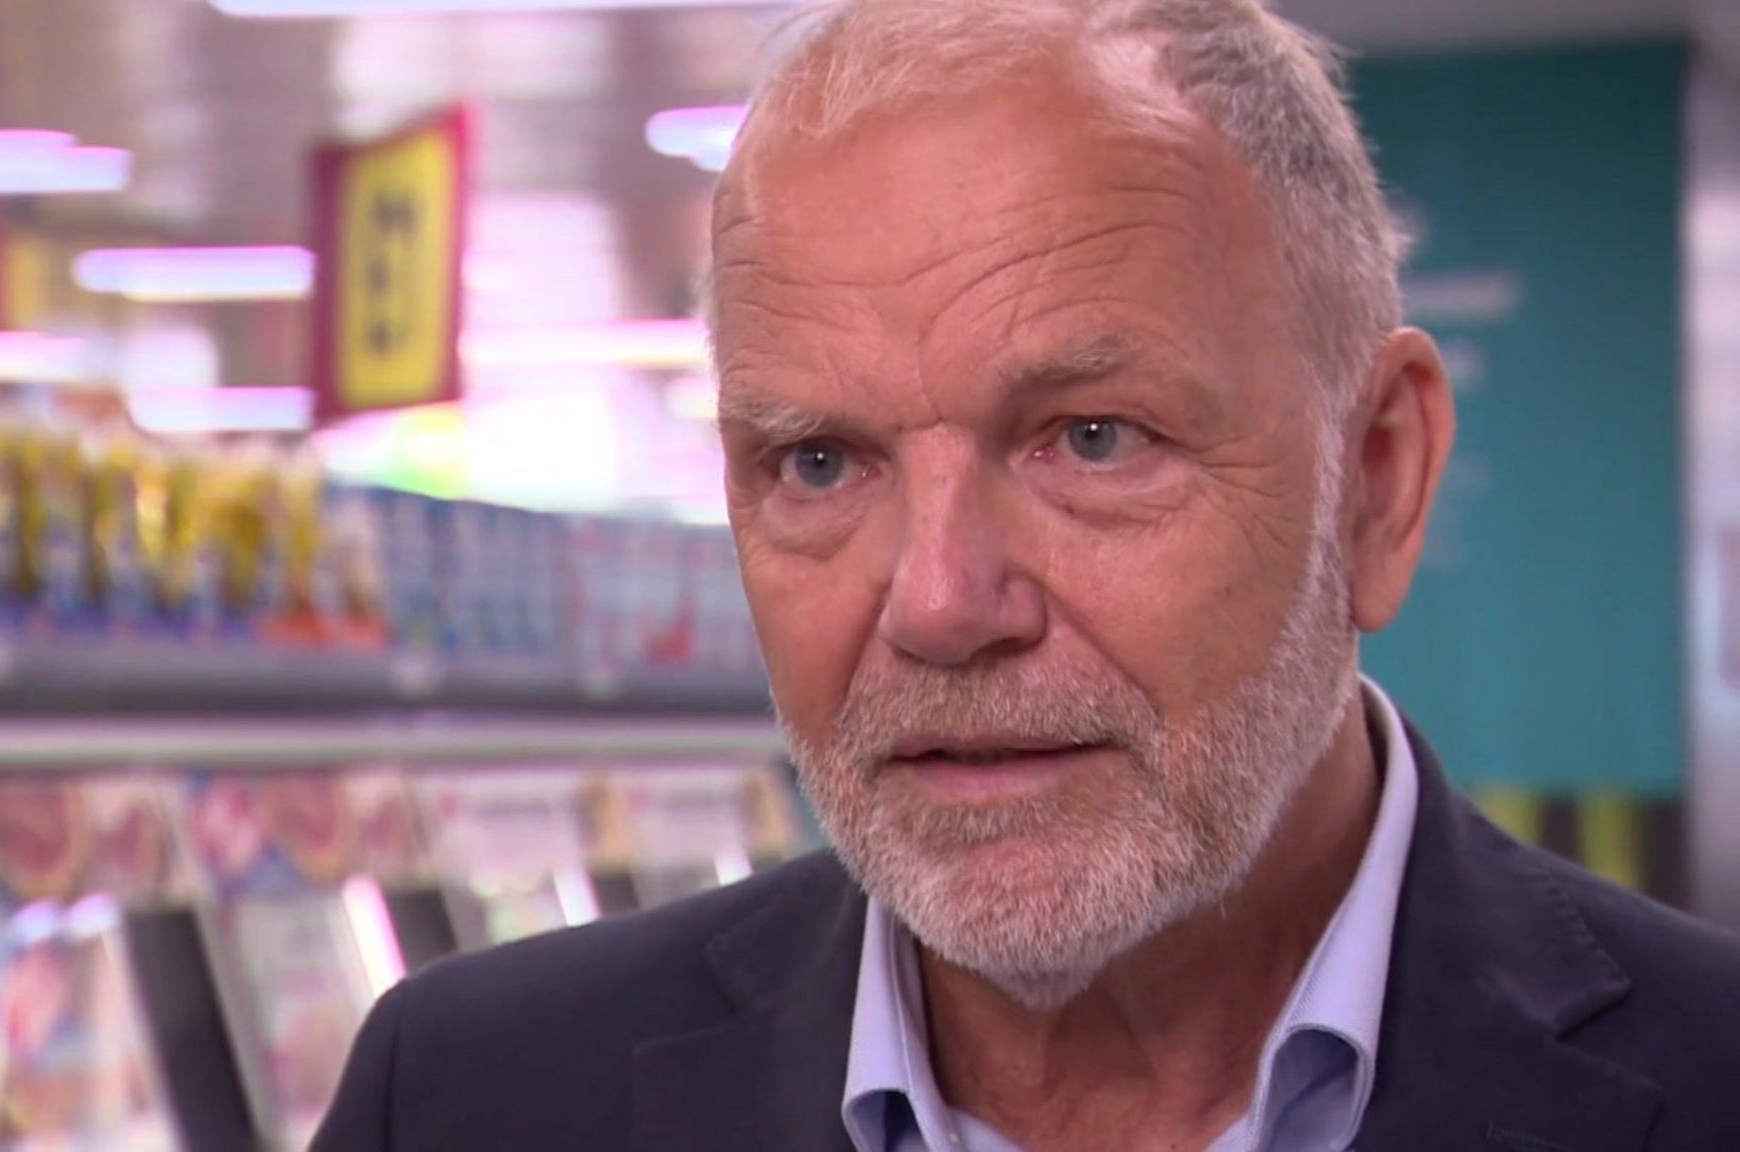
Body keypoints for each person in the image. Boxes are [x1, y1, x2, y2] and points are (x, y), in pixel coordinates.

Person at [313, 1, 1740, 1148]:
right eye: (818, 462)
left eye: (1092, 440)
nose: (939, 603)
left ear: (1375, 478)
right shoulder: (467, 1098)